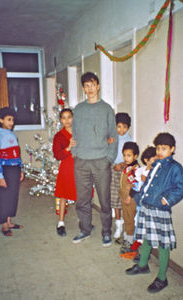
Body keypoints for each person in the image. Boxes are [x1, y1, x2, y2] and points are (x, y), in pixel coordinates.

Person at [125, 133, 183, 294]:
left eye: (164, 149)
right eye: (158, 148)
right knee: (146, 237)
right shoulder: (156, 164)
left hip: (160, 210)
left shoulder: (175, 168)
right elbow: (148, 182)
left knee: (163, 244)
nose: (160, 151)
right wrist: (140, 196)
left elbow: (180, 188)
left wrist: (166, 200)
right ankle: (143, 265)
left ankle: (162, 278)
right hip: (146, 206)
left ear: (172, 149)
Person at [72, 72, 118, 247]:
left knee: (104, 200)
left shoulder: (106, 109)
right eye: (86, 86)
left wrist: (109, 158)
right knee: (82, 199)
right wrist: (75, 152)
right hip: (81, 161)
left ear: (98, 86)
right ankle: (85, 229)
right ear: (83, 89)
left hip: (101, 161)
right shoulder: (79, 109)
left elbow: (113, 136)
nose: (89, 89)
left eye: (92, 85)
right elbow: (74, 133)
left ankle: (106, 232)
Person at [0, 107, 24, 236]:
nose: (12, 122)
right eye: (9, 120)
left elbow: (17, 154)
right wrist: (0, 176)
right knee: (4, 197)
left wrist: (21, 169)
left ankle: (9, 221)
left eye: (13, 120)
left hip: (15, 169)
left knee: (13, 196)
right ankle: (4, 225)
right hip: (4, 170)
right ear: (1, 120)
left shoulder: (12, 134)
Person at [53, 108, 76, 237]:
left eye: (69, 117)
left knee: (81, 195)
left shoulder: (79, 133)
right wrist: (68, 148)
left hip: (80, 166)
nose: (67, 120)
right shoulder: (59, 136)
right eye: (64, 118)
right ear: (61, 120)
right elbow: (57, 155)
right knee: (63, 195)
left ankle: (83, 221)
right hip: (67, 167)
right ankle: (61, 223)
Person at [110, 112, 132, 240]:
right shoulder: (112, 138)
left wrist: (122, 164)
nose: (121, 130)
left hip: (125, 171)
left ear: (128, 128)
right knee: (114, 198)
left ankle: (126, 223)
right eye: (119, 126)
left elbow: (132, 157)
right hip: (112, 170)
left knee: (124, 198)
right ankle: (118, 223)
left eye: (124, 127)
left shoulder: (129, 140)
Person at [119, 141, 139, 253]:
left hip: (130, 199)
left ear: (135, 156)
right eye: (124, 155)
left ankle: (130, 242)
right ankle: (127, 237)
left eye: (129, 155)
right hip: (124, 198)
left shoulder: (135, 169)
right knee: (126, 218)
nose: (126, 158)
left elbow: (135, 186)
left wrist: (129, 197)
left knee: (130, 219)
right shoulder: (127, 167)